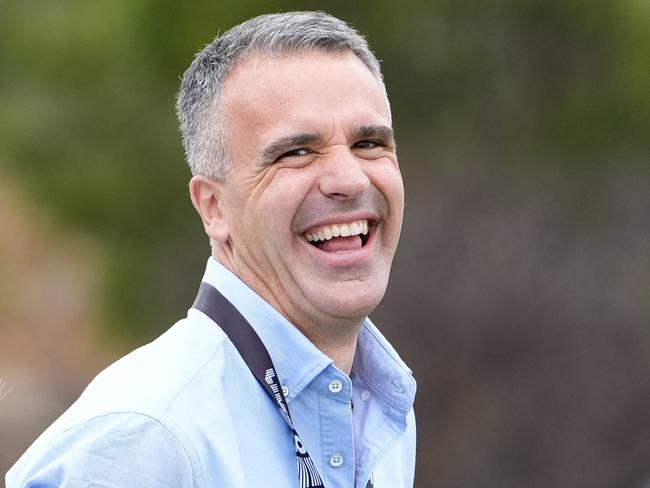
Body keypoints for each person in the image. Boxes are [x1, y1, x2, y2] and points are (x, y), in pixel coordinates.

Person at [6, 11, 416, 488]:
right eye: (296, 153)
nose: (349, 179)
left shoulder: (379, 411)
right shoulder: (145, 441)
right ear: (213, 207)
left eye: (368, 143)